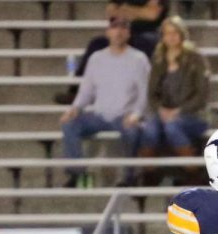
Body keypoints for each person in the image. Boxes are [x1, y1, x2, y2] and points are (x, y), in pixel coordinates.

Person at [59, 16, 150, 188]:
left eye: (123, 28)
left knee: (132, 132)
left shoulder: (139, 59)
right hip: (100, 115)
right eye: (115, 28)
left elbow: (145, 93)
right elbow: (86, 90)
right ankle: (77, 174)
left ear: (128, 33)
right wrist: (75, 108)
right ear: (108, 32)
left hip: (125, 116)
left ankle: (129, 177)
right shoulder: (96, 58)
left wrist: (136, 115)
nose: (118, 32)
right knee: (69, 124)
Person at [137, 15, 210, 186]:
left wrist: (179, 111)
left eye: (175, 33)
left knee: (172, 126)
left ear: (182, 34)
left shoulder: (195, 58)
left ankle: (194, 171)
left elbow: (202, 95)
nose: (171, 37)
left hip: (193, 114)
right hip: (164, 112)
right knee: (149, 129)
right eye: (167, 33)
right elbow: (151, 93)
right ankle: (149, 174)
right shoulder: (159, 58)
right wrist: (161, 110)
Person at [55, 1, 169, 105]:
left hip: (150, 33)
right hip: (123, 31)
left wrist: (125, 9)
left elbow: (152, 14)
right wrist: (140, 11)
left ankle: (153, 93)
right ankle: (75, 91)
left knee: (146, 43)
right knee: (97, 43)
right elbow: (111, 11)